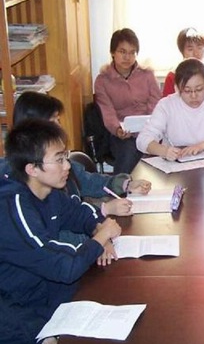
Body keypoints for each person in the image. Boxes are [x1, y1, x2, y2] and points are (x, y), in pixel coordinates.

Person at [0, 119, 122, 323]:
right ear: (32, 169)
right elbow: (65, 267)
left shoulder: (48, 190)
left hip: (46, 295)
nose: (67, 165)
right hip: (18, 314)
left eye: (65, 156)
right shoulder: (13, 209)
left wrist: (99, 229)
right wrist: (101, 237)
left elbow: (80, 213)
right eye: (59, 159)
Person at [1, 91, 152, 226]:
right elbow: (58, 228)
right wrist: (104, 210)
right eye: (53, 121)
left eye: (58, 120)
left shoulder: (57, 164)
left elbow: (88, 180)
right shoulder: (23, 182)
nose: (59, 127)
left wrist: (126, 185)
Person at [137, 58, 204, 159]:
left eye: (199, 89)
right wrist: (164, 151)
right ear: (177, 88)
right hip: (174, 163)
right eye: (187, 91)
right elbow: (143, 139)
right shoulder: (166, 105)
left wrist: (202, 146)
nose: (193, 96)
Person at [94, 28, 162, 174]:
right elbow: (107, 111)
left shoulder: (147, 74)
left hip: (150, 128)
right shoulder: (103, 80)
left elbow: (156, 103)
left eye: (132, 52)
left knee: (161, 152)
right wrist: (117, 129)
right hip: (121, 133)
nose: (127, 57)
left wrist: (150, 126)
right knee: (129, 153)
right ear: (112, 52)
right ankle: (120, 186)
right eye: (122, 52)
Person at [162, 27, 204, 101]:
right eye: (190, 49)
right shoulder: (172, 76)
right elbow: (166, 104)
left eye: (199, 48)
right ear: (182, 51)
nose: (196, 53)